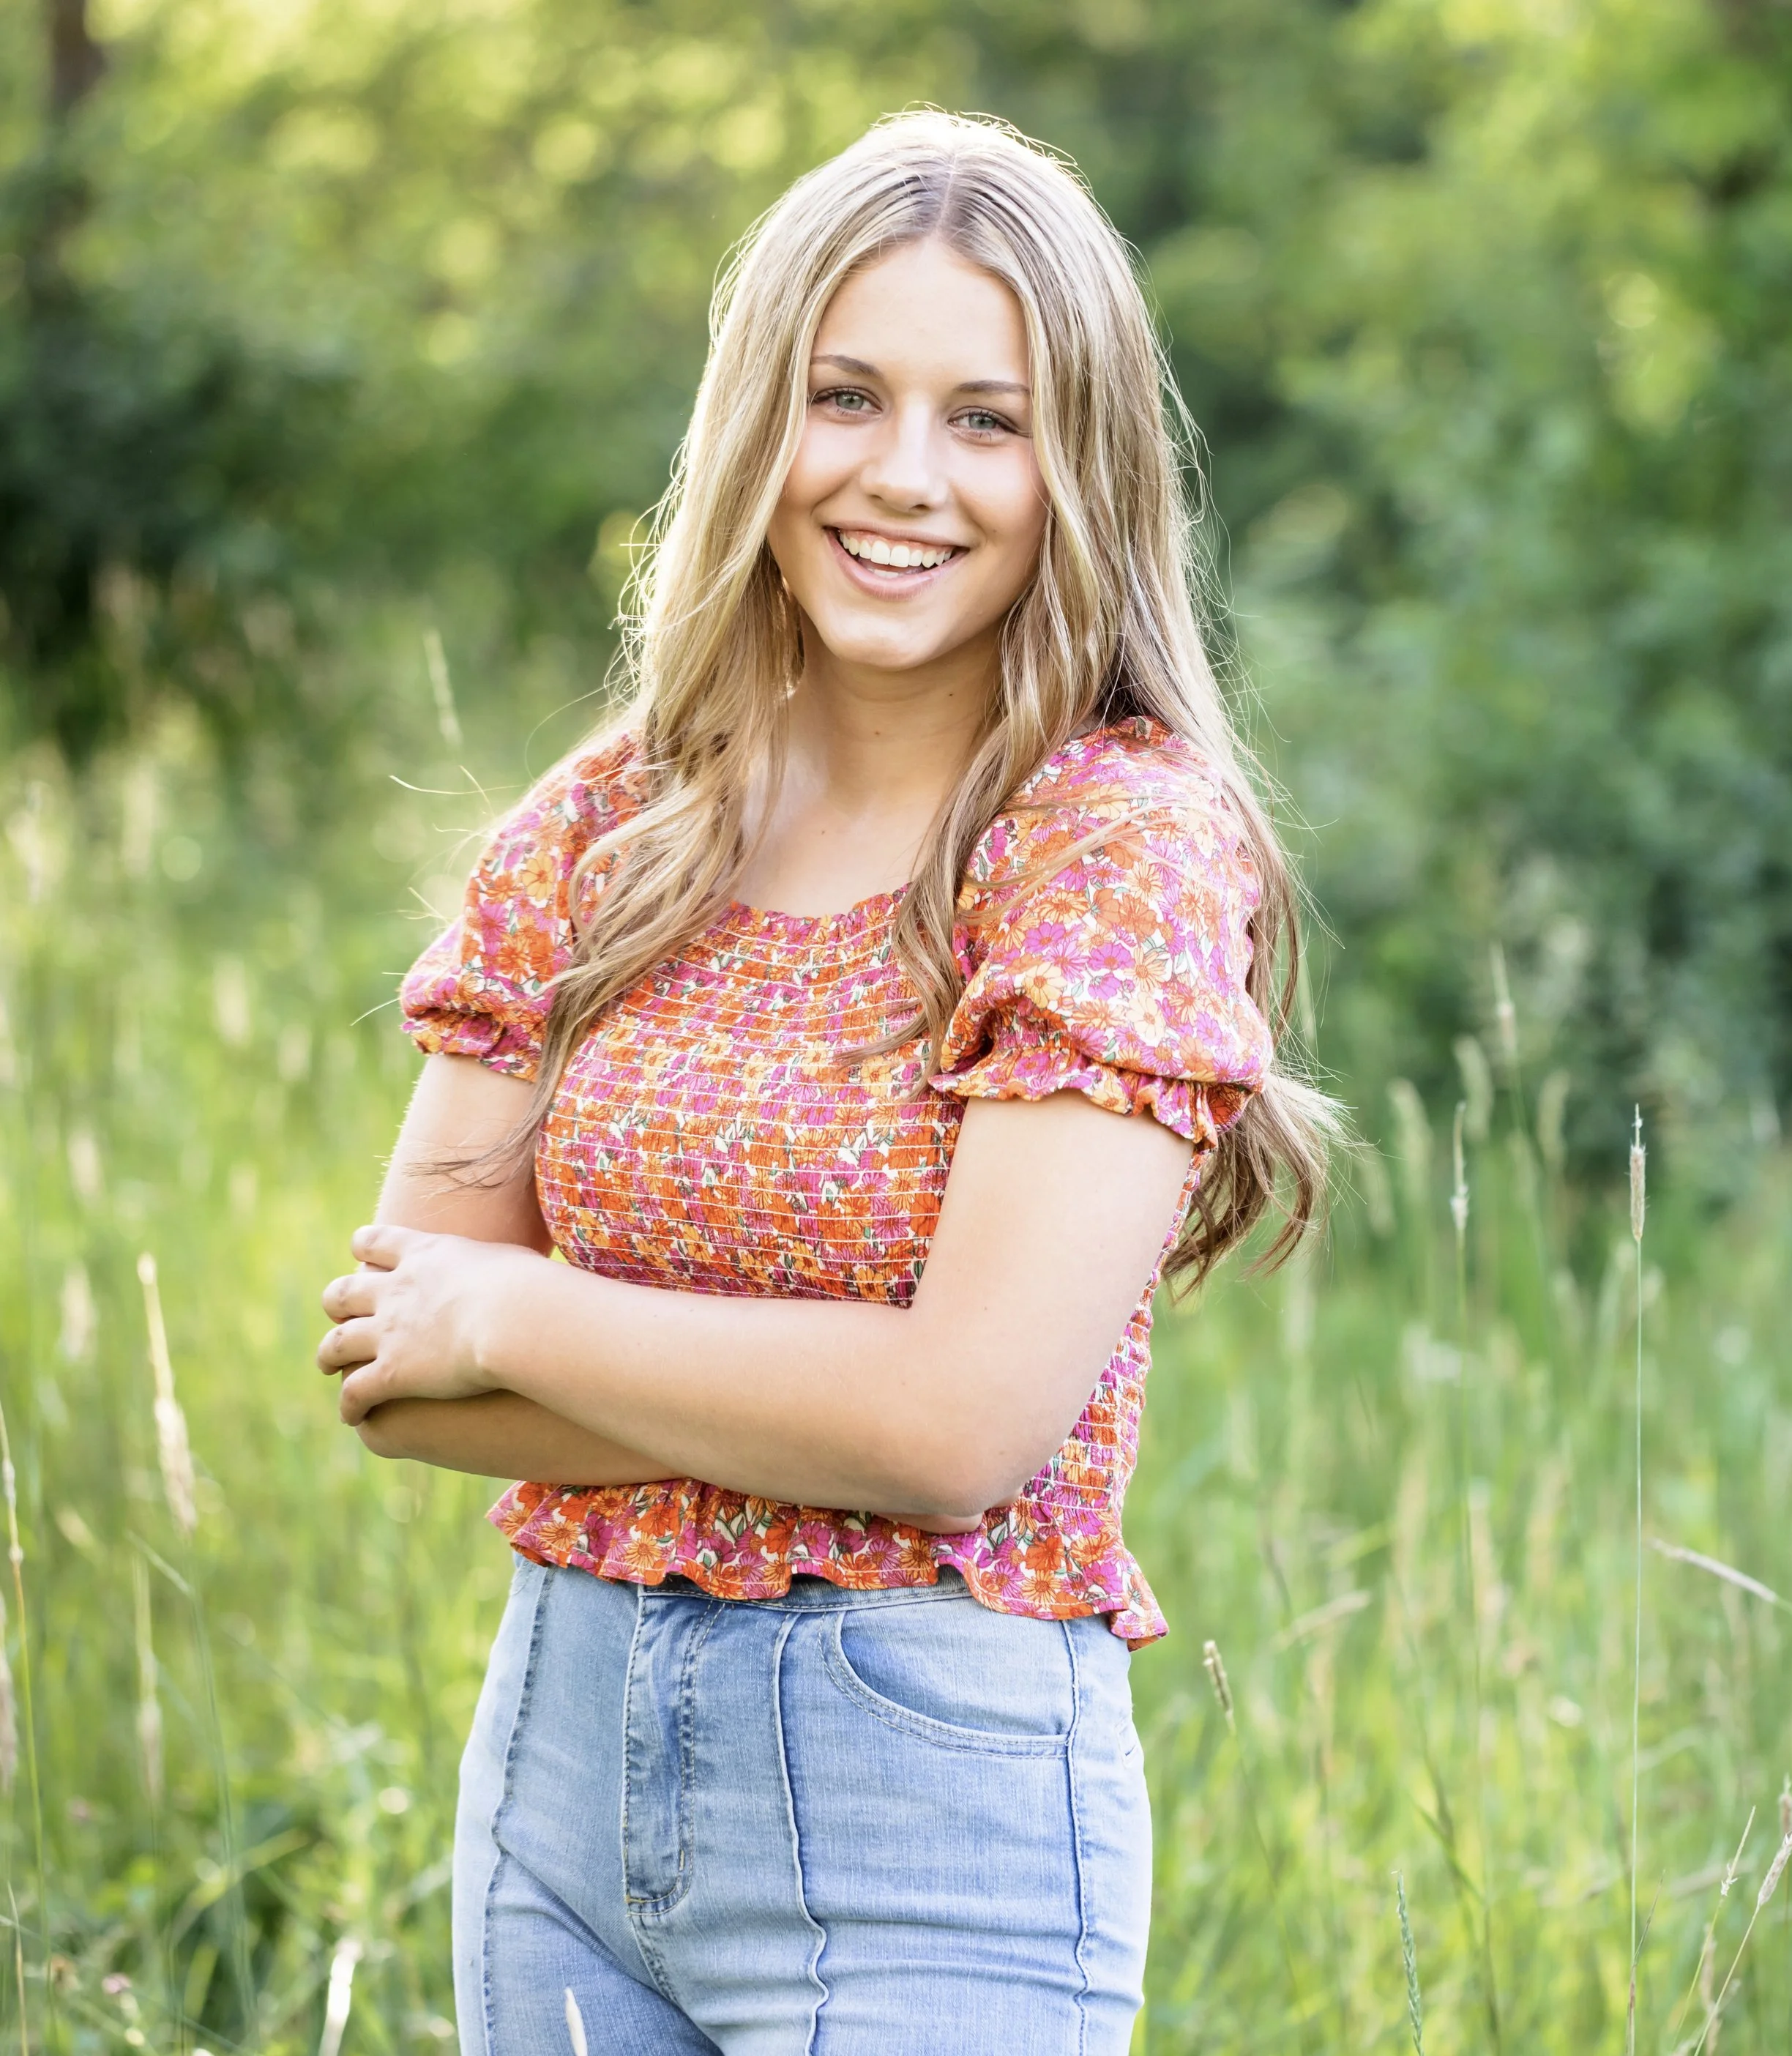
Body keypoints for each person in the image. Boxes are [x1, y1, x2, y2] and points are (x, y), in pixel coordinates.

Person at [316, 110, 1332, 2056]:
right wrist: (812, 1397)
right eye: (843, 396)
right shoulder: (609, 824)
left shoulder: (1106, 846)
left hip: (925, 1815)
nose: (900, 477)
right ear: (749, 425)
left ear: (1082, 466)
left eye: (985, 418)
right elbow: (393, 1375)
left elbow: (960, 1431)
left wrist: (523, 1316)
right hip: (558, 1783)